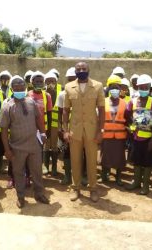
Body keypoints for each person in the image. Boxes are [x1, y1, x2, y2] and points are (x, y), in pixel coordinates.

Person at [0, 75, 50, 208]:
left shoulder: (31, 102)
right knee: (18, 173)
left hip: (34, 144)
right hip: (17, 147)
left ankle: (39, 194)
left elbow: (39, 119)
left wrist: (43, 133)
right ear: (12, 89)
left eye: (22, 87)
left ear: (25, 87)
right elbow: (4, 130)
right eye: (16, 88)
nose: (20, 89)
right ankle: (21, 197)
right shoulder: (7, 106)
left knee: (37, 171)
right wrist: (7, 149)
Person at [63, 62, 105, 202]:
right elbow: (65, 111)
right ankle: (75, 188)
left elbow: (102, 110)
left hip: (92, 130)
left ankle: (93, 189)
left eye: (84, 69)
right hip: (75, 131)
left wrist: (101, 130)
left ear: (89, 70)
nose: (81, 71)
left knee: (92, 161)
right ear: (75, 71)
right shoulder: (69, 87)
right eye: (78, 69)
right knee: (75, 160)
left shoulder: (98, 86)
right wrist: (65, 130)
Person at [126, 74, 152, 195]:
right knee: (137, 161)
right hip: (136, 138)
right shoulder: (133, 102)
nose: (143, 89)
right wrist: (131, 127)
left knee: (147, 163)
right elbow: (128, 116)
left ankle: (145, 185)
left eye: (146, 87)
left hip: (148, 138)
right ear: (137, 87)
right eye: (141, 87)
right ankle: (136, 182)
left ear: (149, 88)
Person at [99, 75, 129, 186]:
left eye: (117, 87)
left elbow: (128, 119)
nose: (115, 90)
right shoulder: (103, 101)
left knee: (119, 157)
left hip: (120, 136)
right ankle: (104, 176)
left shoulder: (124, 103)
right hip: (106, 134)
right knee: (105, 157)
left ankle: (118, 178)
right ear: (108, 89)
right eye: (112, 88)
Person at [28, 71, 53, 174]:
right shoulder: (27, 94)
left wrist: (49, 130)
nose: (39, 83)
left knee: (40, 149)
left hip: (42, 129)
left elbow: (50, 113)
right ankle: (29, 170)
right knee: (29, 149)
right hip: (30, 128)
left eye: (41, 81)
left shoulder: (47, 96)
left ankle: (39, 168)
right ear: (32, 82)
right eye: (36, 81)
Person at [57, 67, 77, 185]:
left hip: (79, 129)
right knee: (67, 152)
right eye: (70, 80)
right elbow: (60, 114)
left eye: (74, 79)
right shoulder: (62, 95)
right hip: (67, 129)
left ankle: (79, 177)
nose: (72, 82)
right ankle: (67, 176)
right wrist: (61, 129)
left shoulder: (82, 93)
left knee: (81, 153)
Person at [45, 71, 62, 176]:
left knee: (55, 146)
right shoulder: (42, 92)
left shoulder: (60, 92)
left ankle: (54, 167)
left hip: (56, 124)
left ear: (56, 81)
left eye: (53, 81)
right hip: (45, 124)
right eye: (49, 81)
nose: (51, 82)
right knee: (46, 146)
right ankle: (46, 167)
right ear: (45, 82)